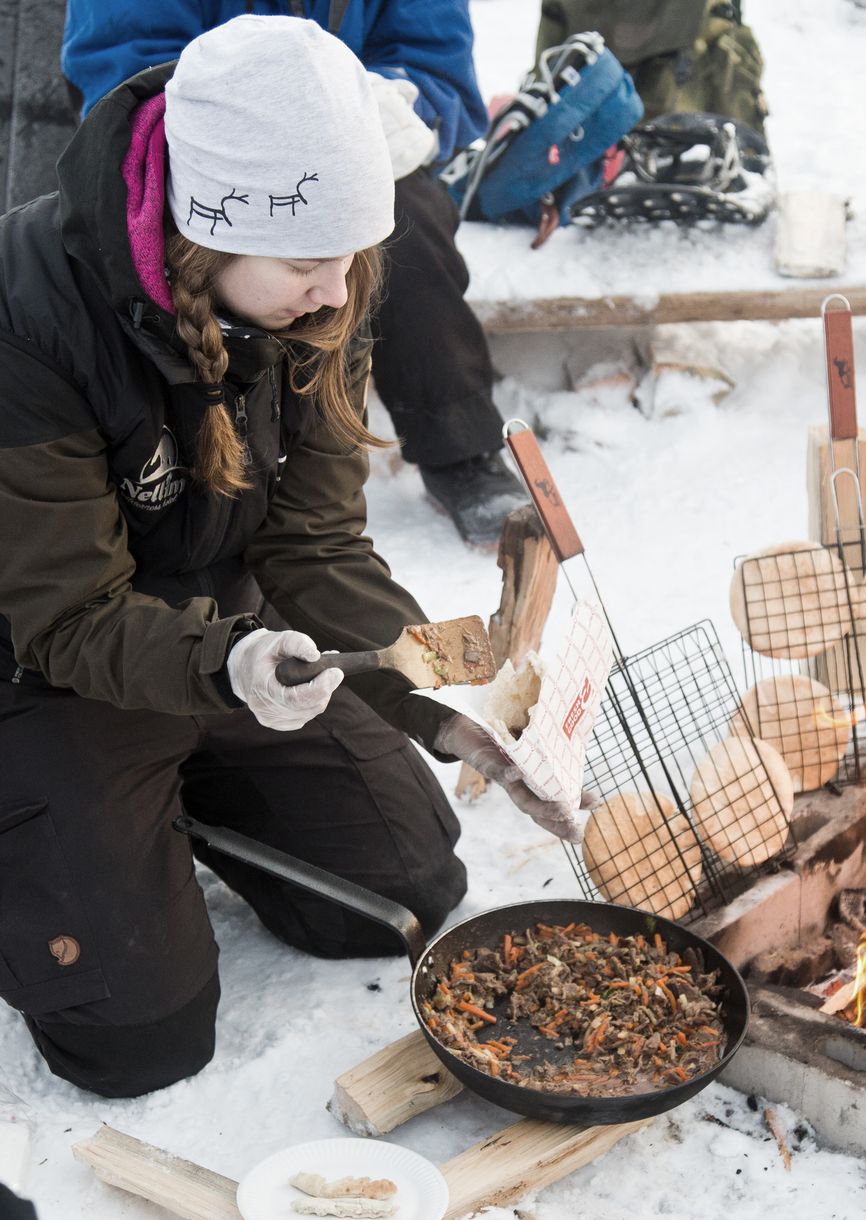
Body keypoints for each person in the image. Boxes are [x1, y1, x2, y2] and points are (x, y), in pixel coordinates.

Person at [0, 14, 580, 1100]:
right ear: (201, 229)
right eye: (310, 262)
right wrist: (225, 666)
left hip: (225, 640)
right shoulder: (27, 312)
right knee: (136, 1040)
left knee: (412, 876)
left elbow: (314, 540)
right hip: (52, 670)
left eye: (350, 258)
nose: (335, 290)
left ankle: (166, 798)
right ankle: (76, 818)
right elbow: (66, 614)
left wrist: (436, 698)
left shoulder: (322, 285)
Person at [61, 0, 531, 546]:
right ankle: (189, 454)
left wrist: (398, 105)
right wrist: (270, 117)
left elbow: (438, 61)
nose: (333, 294)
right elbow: (120, 62)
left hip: (361, 145)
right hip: (207, 154)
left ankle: (454, 440)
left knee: (403, 234)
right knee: (247, 264)